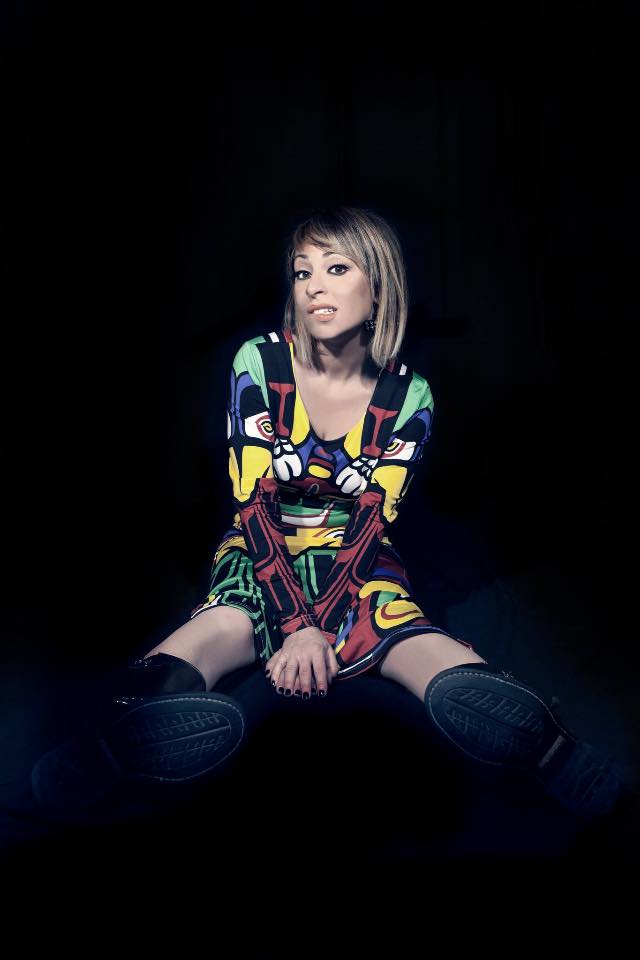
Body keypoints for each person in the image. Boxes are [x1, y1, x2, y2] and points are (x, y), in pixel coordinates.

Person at [32, 206, 629, 822]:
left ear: (379, 289)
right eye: (302, 272)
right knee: (216, 631)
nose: (314, 285)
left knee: (419, 645)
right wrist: (299, 626)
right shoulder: (260, 363)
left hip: (359, 562)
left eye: (337, 268)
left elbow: (374, 520)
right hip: (262, 555)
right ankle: (107, 747)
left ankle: (552, 751)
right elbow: (253, 505)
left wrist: (322, 626)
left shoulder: (408, 394)